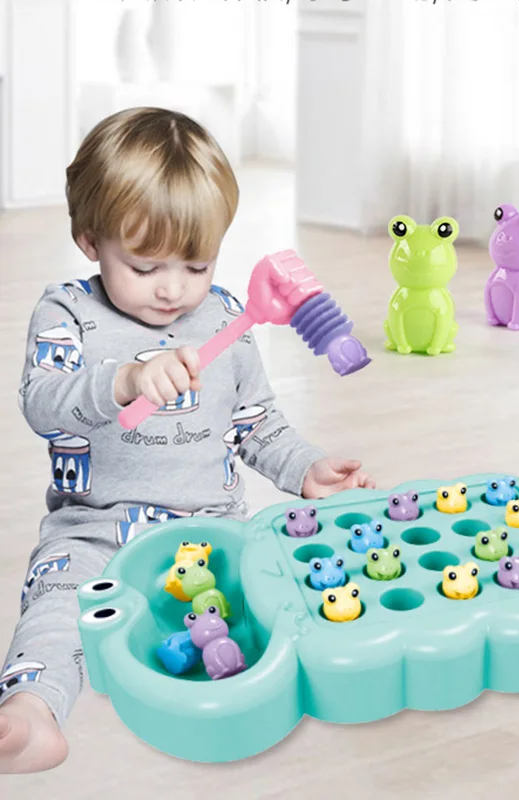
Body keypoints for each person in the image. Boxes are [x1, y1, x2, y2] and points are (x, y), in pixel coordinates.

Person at [0, 107, 375, 773]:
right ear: (90, 240)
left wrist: (305, 468)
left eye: (197, 264)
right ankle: (31, 712)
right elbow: (43, 403)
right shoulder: (69, 314)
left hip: (211, 530)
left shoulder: (226, 316)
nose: (174, 288)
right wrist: (122, 380)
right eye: (145, 267)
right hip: (97, 527)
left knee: (275, 594)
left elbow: (256, 423)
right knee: (55, 609)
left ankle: (261, 693)